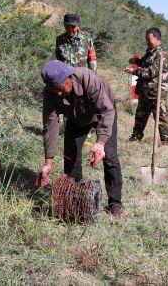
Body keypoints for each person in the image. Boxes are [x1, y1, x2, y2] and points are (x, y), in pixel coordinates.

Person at [36, 60, 123, 217]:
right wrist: (48, 163)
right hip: (76, 119)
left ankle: (115, 204)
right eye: (54, 90)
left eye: (61, 89)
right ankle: (75, 198)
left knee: (109, 156)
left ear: (69, 78)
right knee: (71, 155)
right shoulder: (50, 92)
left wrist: (100, 143)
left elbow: (106, 111)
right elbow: (50, 125)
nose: (59, 94)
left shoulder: (88, 78)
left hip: (102, 113)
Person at [124, 27, 168, 145]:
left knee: (161, 118)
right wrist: (137, 61)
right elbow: (146, 63)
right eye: (146, 38)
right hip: (145, 91)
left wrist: (134, 71)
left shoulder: (162, 54)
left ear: (157, 38)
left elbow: (151, 71)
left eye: (149, 38)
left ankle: (166, 141)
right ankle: (136, 136)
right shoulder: (150, 52)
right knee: (140, 116)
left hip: (157, 92)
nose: (147, 40)